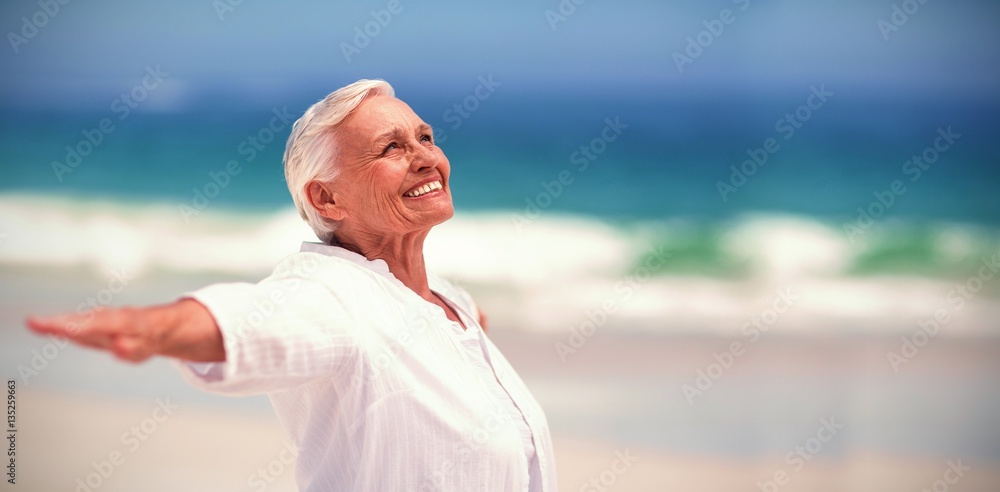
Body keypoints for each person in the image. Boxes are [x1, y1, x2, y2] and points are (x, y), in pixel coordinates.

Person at [26, 79, 557, 491]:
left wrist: (464, 324)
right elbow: (261, 319)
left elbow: (423, 341)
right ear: (327, 200)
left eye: (425, 137)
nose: (425, 157)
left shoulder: (447, 300)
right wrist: (153, 326)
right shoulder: (329, 296)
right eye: (390, 148)